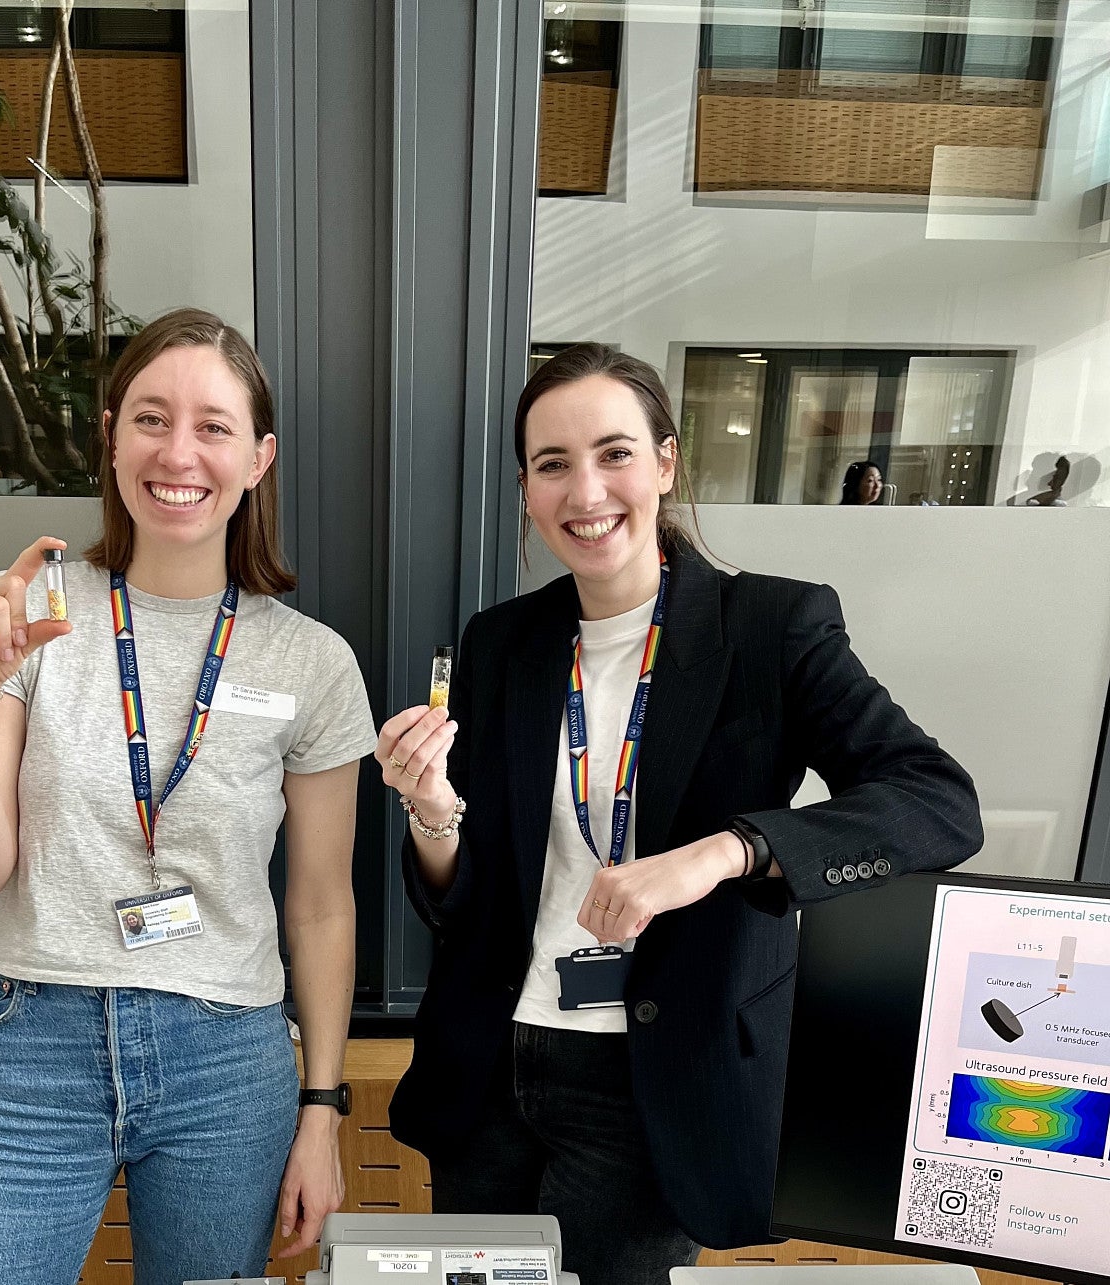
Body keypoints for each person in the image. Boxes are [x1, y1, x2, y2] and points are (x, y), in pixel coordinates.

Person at [376, 345, 981, 1285]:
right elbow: (468, 897)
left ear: (665, 462)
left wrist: (729, 850)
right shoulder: (503, 642)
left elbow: (937, 800)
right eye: (552, 464)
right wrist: (432, 813)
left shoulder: (773, 627)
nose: (586, 491)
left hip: (656, 1076)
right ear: (528, 492)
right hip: (493, 1066)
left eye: (614, 453)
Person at [0, 308, 376, 1285]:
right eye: (152, 419)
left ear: (258, 458)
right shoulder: (26, 616)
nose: (179, 453)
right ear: (112, 438)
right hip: (31, 1039)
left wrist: (322, 1110)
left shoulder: (312, 662)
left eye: (214, 426)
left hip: (227, 1057)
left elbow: (322, 903)